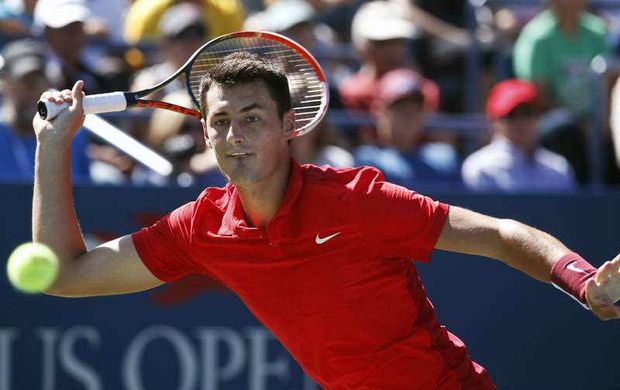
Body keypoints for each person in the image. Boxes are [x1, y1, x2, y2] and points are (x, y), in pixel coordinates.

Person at [33, 52, 620, 389]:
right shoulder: (200, 227)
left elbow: (498, 234)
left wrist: (580, 280)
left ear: (291, 124)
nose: (235, 136)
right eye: (220, 122)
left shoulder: (358, 201)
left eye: (253, 118)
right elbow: (64, 273)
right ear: (204, 132)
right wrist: (52, 147)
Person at [462, 79, 576, 192]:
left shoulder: (559, 168)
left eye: (527, 113)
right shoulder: (480, 168)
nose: (520, 122)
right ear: (495, 120)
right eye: (511, 115)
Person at [0, 38, 90, 182]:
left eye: (39, 81)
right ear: (4, 84)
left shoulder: (73, 135)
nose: (32, 91)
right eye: (24, 82)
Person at [354, 67, 459, 187]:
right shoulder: (367, 160)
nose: (409, 116)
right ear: (381, 112)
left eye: (415, 108)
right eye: (400, 108)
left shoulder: (445, 158)